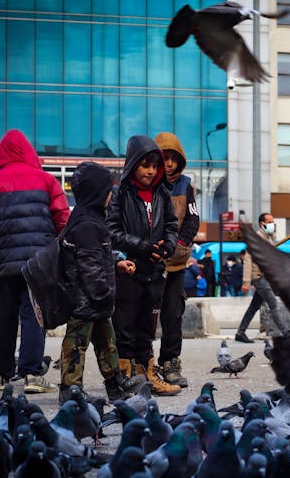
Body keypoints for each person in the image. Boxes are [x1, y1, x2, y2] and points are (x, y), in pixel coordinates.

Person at [0, 129, 70, 393]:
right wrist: (57, 255)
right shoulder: (47, 180)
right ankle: (31, 374)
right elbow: (63, 220)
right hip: (36, 263)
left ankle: (2, 374)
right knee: (33, 314)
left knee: (4, 315)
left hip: (3, 261)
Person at [57, 162, 144, 404]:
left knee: (108, 343)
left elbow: (98, 255)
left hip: (95, 301)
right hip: (86, 301)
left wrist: (116, 263)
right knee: (76, 345)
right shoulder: (87, 224)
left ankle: (116, 383)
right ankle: (70, 391)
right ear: (97, 192)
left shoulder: (90, 218)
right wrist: (104, 294)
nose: (111, 194)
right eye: (108, 189)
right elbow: (90, 267)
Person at [106, 135, 181, 396]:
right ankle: (125, 376)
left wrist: (167, 248)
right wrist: (142, 246)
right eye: (144, 165)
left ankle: (146, 373)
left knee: (147, 329)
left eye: (154, 166)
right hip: (129, 271)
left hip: (155, 271)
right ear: (133, 164)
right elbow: (111, 230)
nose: (150, 171)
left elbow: (172, 226)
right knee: (125, 327)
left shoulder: (163, 193)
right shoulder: (120, 193)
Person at [155, 132, 200, 389]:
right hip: (150, 260)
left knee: (173, 314)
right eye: (164, 158)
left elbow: (192, 219)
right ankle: (142, 363)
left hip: (176, 262)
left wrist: (181, 243)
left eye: (173, 159)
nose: (169, 163)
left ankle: (170, 362)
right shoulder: (148, 183)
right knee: (143, 316)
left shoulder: (186, 185)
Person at [235, 212, 290, 343]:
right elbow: (247, 259)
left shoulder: (268, 238)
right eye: (269, 222)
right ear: (261, 224)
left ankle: (240, 333)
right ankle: (286, 332)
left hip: (265, 276)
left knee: (254, 306)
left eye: (272, 221)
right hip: (258, 276)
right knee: (273, 302)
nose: (272, 224)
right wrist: (246, 282)